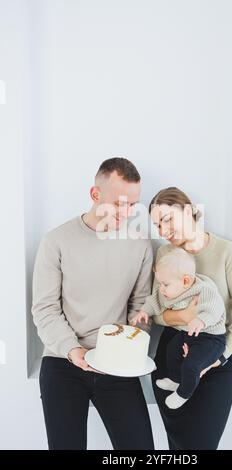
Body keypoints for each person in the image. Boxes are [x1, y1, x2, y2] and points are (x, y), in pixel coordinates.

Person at [32, 157, 154, 450]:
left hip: (116, 363)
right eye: (118, 204)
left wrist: (127, 351)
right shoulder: (56, 241)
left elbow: (142, 309)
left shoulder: (140, 244)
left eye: (132, 205)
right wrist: (73, 350)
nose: (126, 213)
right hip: (63, 361)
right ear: (95, 195)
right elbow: (44, 308)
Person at [149, 186, 232, 450]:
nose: (163, 231)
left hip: (216, 355)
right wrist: (184, 316)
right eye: (157, 225)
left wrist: (218, 359)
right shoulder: (165, 255)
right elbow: (158, 314)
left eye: (167, 220)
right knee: (178, 444)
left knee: (202, 444)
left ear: (188, 210)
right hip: (172, 356)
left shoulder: (225, 252)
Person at [131, 247, 226, 409]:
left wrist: (202, 320)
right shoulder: (168, 291)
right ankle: (175, 380)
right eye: (160, 283)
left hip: (211, 337)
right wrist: (144, 311)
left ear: (185, 281)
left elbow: (215, 308)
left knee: (192, 365)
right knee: (172, 350)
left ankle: (184, 394)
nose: (161, 288)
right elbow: (155, 300)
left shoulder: (204, 290)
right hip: (189, 332)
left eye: (165, 284)